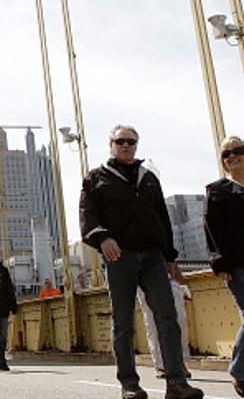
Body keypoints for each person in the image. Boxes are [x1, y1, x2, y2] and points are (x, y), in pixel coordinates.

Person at [80, 124, 202, 399]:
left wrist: (170, 257)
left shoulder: (148, 178)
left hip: (153, 257)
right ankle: (129, 385)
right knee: (122, 322)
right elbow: (87, 215)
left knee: (168, 318)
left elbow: (163, 218)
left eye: (131, 142)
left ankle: (177, 383)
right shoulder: (96, 177)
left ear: (136, 145)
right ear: (110, 143)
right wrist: (103, 238)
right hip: (119, 255)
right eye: (121, 141)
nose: (126, 146)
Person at [204, 134, 244, 397]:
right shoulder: (217, 190)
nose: (232, 156)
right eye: (226, 154)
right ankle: (239, 371)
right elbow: (211, 230)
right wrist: (219, 263)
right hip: (238, 264)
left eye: (237, 151)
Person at [137, 282, 191, 378]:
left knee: (179, 321)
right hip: (144, 281)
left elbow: (173, 266)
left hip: (168, 280)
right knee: (153, 324)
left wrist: (181, 284)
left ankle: (180, 363)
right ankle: (160, 366)